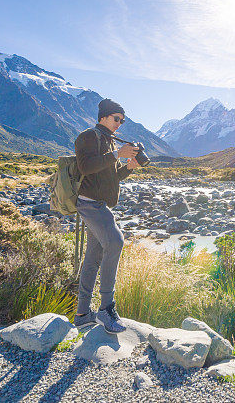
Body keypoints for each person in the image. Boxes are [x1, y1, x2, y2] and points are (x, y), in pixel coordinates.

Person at [73, 98, 141, 332]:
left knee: (93, 256)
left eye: (122, 120)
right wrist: (116, 155)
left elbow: (110, 178)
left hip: (100, 204)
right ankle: (106, 308)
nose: (119, 124)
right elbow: (86, 167)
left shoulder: (110, 141)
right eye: (116, 119)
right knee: (115, 241)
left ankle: (82, 313)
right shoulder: (88, 137)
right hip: (90, 204)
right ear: (103, 116)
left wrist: (127, 169)